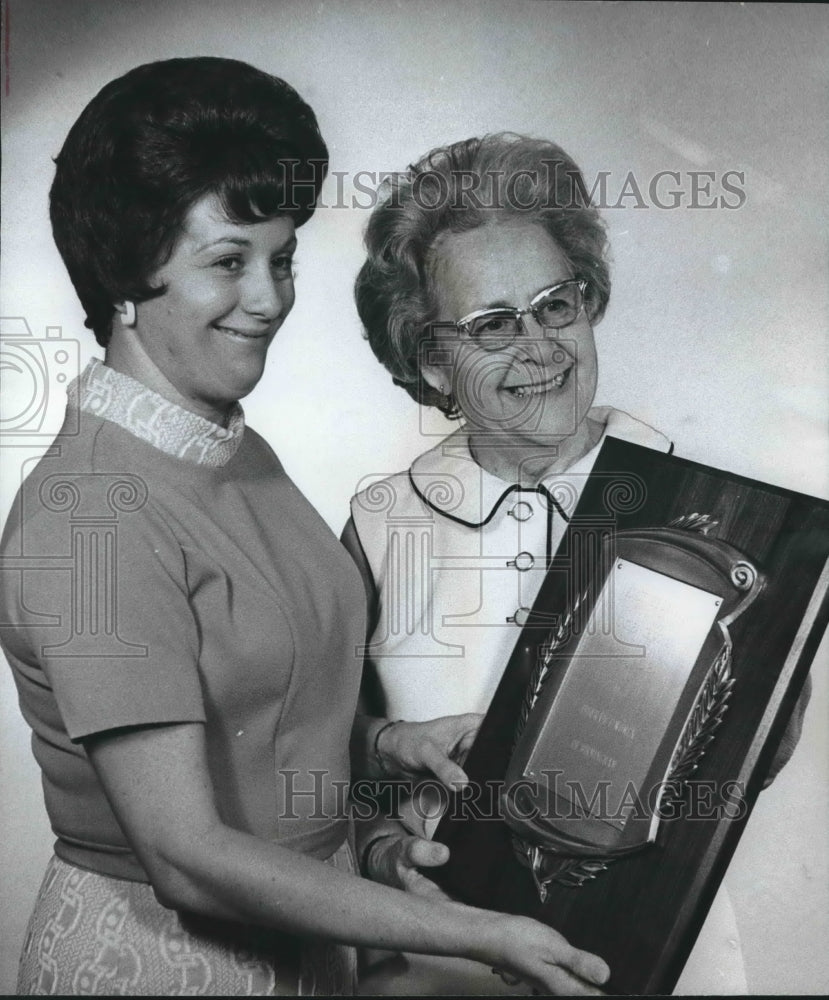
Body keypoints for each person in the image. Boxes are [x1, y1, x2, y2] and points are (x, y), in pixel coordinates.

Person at [0, 65, 611, 996]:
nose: (270, 297)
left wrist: (383, 747)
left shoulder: (233, 451)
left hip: (307, 951)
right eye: (228, 260)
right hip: (163, 967)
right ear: (126, 275)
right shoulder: (91, 514)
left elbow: (258, 715)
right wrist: (482, 933)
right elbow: (186, 855)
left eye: (281, 258)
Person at [345, 133, 811, 995]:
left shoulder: (702, 509)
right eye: (492, 324)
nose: (539, 348)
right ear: (430, 360)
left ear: (588, 303)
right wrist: (381, 851)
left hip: (646, 960)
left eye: (555, 305)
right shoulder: (380, 525)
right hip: (448, 966)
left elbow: (747, 756)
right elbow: (324, 750)